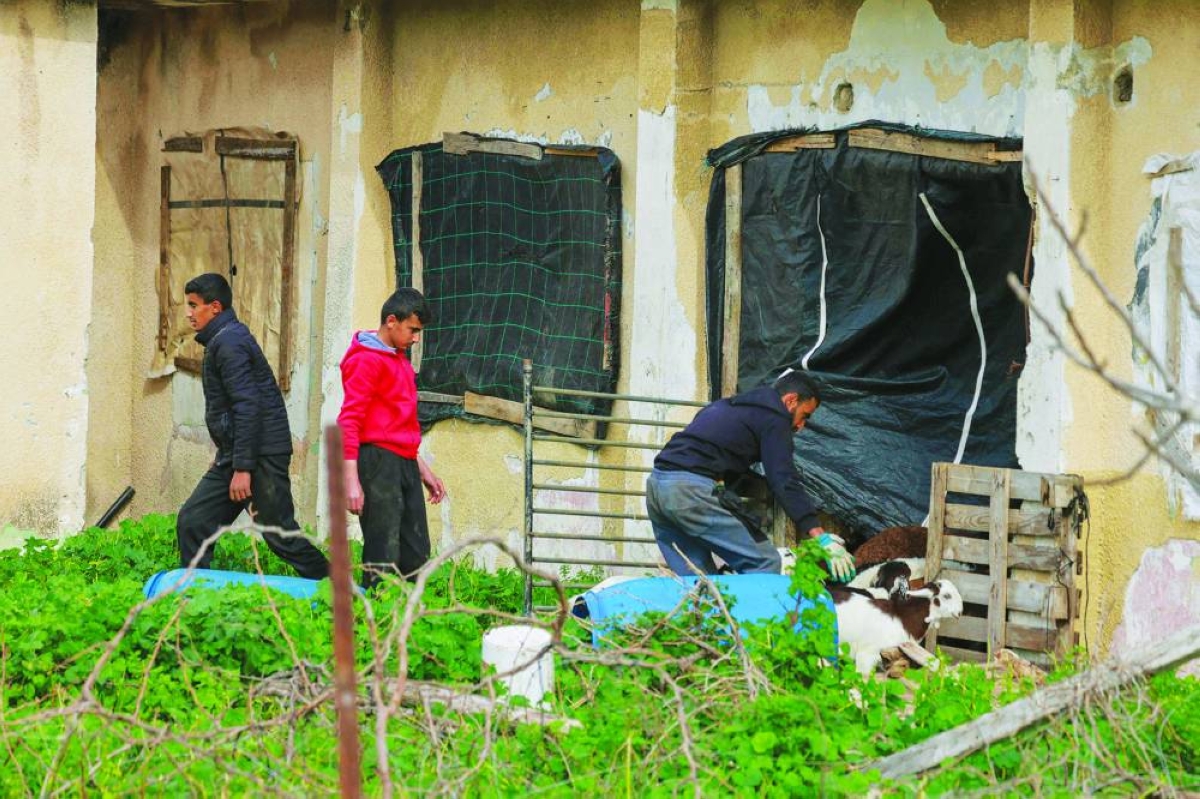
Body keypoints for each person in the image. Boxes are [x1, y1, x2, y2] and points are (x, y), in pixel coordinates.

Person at [176, 273, 330, 579]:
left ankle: (337, 587)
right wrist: (228, 455)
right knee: (194, 519)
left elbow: (248, 406)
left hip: (261, 456)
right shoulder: (222, 339)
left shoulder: (230, 342)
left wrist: (243, 468)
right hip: (238, 455)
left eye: (194, 305)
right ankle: (193, 593)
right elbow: (236, 409)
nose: (188, 313)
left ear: (215, 307)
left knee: (280, 535)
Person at [646, 369, 855, 581]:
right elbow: (783, 478)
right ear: (791, 400)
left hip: (656, 488)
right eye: (804, 416)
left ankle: (709, 614)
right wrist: (819, 536)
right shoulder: (775, 418)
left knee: (697, 580)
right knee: (765, 563)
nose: (801, 426)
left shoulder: (727, 406)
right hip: (688, 491)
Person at [337, 288, 446, 589]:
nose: (416, 338)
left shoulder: (399, 361)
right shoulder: (367, 360)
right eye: (412, 330)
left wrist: (424, 470)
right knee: (383, 552)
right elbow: (349, 420)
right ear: (391, 321)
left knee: (416, 553)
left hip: (404, 462)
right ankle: (375, 623)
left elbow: (400, 426)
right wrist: (350, 481)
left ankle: (410, 621)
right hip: (377, 462)